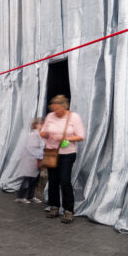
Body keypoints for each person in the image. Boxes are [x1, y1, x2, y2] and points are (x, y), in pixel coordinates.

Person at [40, 95, 85, 224]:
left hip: (67, 153)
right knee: (53, 181)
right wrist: (44, 133)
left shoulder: (74, 117)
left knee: (65, 181)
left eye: (58, 110)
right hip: (52, 153)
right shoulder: (50, 116)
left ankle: (68, 210)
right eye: (54, 109)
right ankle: (54, 207)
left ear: (64, 106)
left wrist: (65, 139)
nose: (56, 112)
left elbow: (81, 136)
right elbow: (43, 132)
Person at [14, 118, 44, 204]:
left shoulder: (40, 135)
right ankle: (20, 197)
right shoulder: (33, 135)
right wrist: (40, 157)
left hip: (36, 160)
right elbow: (31, 148)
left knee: (34, 180)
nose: (43, 126)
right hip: (30, 160)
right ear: (37, 125)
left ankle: (31, 196)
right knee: (27, 179)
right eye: (42, 124)